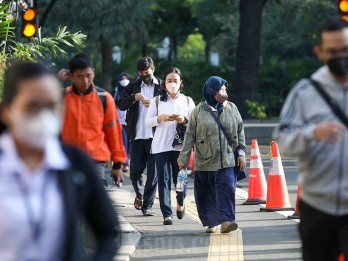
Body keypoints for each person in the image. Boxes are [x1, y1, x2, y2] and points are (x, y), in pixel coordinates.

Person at [0, 62, 119, 260]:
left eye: (51, 106)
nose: (43, 116)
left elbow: (108, 231)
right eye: (32, 106)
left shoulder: (75, 164)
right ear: (6, 111)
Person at [273, 16, 348, 261]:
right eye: (333, 51)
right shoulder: (305, 92)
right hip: (318, 206)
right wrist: (312, 133)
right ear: (319, 52)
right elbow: (282, 140)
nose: (340, 56)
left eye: (345, 50)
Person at [178, 76, 246, 233]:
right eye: (220, 89)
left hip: (228, 159)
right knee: (206, 194)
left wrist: (241, 153)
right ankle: (211, 222)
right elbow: (189, 137)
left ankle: (227, 221)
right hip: (204, 160)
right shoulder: (198, 111)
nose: (224, 92)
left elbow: (240, 130)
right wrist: (183, 158)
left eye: (225, 89)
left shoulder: (232, 108)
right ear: (211, 91)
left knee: (227, 189)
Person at [61, 53, 127, 187]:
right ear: (71, 75)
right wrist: (56, 80)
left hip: (96, 161)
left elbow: (113, 132)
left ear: (94, 73)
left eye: (88, 75)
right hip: (67, 161)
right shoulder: (60, 97)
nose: (85, 80)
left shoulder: (104, 98)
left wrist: (118, 164)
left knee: (95, 205)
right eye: (79, 76)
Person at [145, 67, 195, 225]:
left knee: (180, 180)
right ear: (164, 83)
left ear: (181, 83)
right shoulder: (157, 101)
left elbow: (195, 124)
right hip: (161, 147)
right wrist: (159, 118)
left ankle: (181, 201)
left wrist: (183, 120)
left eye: (175, 80)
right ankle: (167, 214)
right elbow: (148, 121)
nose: (172, 83)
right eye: (169, 80)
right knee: (164, 180)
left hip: (181, 148)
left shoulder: (187, 101)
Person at [118, 57, 162, 216]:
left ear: (153, 69)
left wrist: (156, 104)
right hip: (136, 136)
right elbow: (121, 104)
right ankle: (140, 194)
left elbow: (173, 105)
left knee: (153, 173)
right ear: (139, 73)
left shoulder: (162, 87)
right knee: (135, 172)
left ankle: (147, 206)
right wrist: (133, 98)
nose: (146, 76)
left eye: (148, 73)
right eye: (142, 74)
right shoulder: (134, 86)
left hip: (156, 137)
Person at [114, 72, 131, 173]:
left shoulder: (132, 90)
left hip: (130, 121)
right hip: (119, 122)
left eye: (126, 78)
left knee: (128, 144)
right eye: (122, 79)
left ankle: (126, 162)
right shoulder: (116, 92)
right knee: (123, 143)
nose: (124, 80)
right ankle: (124, 164)